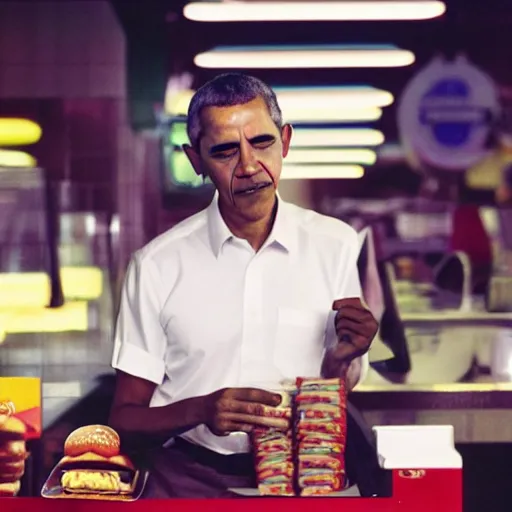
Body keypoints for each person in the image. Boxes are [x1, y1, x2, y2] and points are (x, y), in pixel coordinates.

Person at [109, 73, 378, 498]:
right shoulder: (157, 265)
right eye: (224, 151)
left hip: (302, 480)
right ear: (196, 160)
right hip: (187, 482)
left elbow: (331, 386)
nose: (250, 166)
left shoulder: (336, 244)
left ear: (285, 141)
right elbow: (124, 418)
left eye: (263, 143)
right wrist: (201, 409)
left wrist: (346, 356)